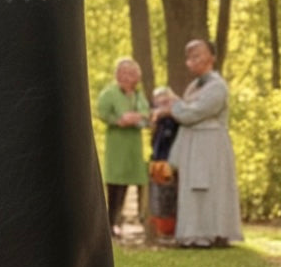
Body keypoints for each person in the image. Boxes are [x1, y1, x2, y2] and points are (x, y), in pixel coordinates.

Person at [162, 39, 243, 248]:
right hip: (193, 142)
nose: (192, 60)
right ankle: (193, 234)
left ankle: (214, 233)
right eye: (189, 57)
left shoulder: (217, 86)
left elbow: (194, 113)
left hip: (210, 143)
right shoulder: (193, 86)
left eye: (197, 55)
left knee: (209, 186)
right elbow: (187, 112)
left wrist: (174, 107)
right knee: (193, 187)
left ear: (211, 58)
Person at [97, 58, 150, 240]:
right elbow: (102, 113)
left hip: (134, 147)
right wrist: (118, 120)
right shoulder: (109, 93)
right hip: (117, 145)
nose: (128, 77)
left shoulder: (138, 95)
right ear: (118, 75)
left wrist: (137, 118)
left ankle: (132, 222)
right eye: (124, 73)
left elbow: (146, 114)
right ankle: (111, 224)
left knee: (133, 183)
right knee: (115, 185)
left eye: (132, 73)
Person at [146, 86, 179, 240]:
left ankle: (169, 231)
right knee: (158, 197)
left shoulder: (175, 120)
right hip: (157, 161)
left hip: (170, 162)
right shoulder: (157, 121)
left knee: (169, 197)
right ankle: (161, 231)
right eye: (158, 100)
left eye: (165, 99)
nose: (161, 103)